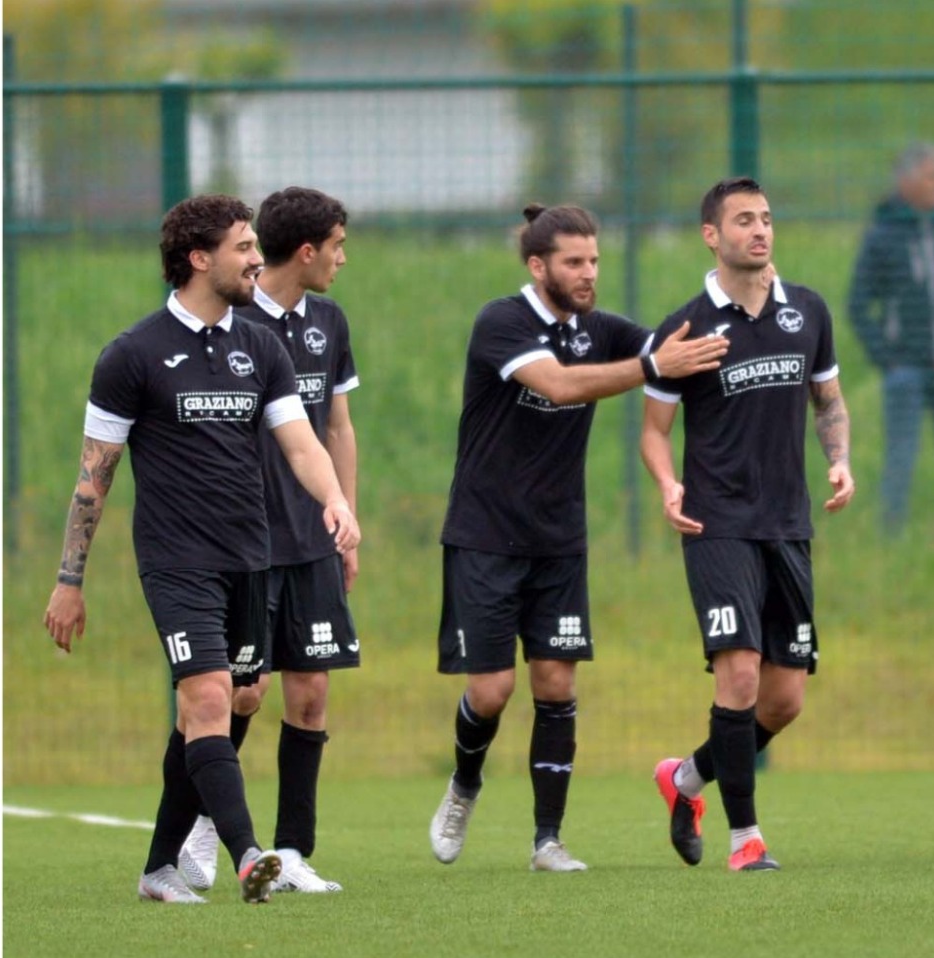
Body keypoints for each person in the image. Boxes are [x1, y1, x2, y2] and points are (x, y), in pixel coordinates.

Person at [43, 194, 360, 904]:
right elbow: (93, 478)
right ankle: (250, 853)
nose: (256, 260)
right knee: (211, 694)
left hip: (251, 555)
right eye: (244, 248)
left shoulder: (259, 346)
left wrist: (335, 500)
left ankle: (159, 866)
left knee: (235, 698)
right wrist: (71, 579)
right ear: (199, 258)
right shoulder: (132, 354)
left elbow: (301, 440)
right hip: (176, 559)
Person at [426, 204, 727, 873]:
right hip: (484, 535)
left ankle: (547, 840)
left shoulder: (602, 331)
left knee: (556, 683)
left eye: (594, 260)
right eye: (573, 262)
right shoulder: (502, 322)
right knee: (493, 690)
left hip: (559, 540)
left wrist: (727, 330)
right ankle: (464, 785)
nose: (588, 273)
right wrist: (652, 366)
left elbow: (676, 351)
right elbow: (561, 387)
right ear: (538, 266)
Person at [642, 176, 854, 872]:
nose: (759, 230)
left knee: (783, 697)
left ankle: (686, 779)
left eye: (765, 218)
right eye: (743, 221)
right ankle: (746, 840)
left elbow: (828, 398)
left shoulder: (808, 312)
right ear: (712, 235)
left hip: (787, 523)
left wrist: (840, 459)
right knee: (736, 677)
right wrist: (669, 482)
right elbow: (654, 429)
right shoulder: (686, 326)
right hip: (716, 523)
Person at [177, 187, 359, 895]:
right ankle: (201, 821)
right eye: (338, 245)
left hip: (312, 537)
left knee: (310, 693)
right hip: (246, 543)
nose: (343, 259)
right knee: (243, 692)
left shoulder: (330, 323)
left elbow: (336, 426)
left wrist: (346, 516)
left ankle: (294, 851)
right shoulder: (232, 320)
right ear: (308, 249)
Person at [847, 142, 934, 541]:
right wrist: (888, 360)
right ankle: (891, 540)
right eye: (931, 176)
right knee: (900, 460)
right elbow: (858, 305)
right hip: (905, 372)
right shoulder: (883, 235)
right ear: (906, 182)